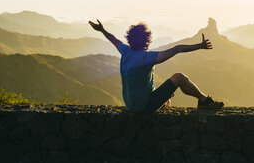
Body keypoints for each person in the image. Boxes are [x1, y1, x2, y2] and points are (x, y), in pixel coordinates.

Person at [89, 19, 224, 113]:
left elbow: (113, 39)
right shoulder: (147, 58)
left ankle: (166, 101)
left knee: (155, 84)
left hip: (131, 105)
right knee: (179, 77)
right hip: (144, 107)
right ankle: (204, 101)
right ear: (147, 40)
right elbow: (178, 49)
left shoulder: (125, 51)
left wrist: (101, 30)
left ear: (129, 39)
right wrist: (200, 46)